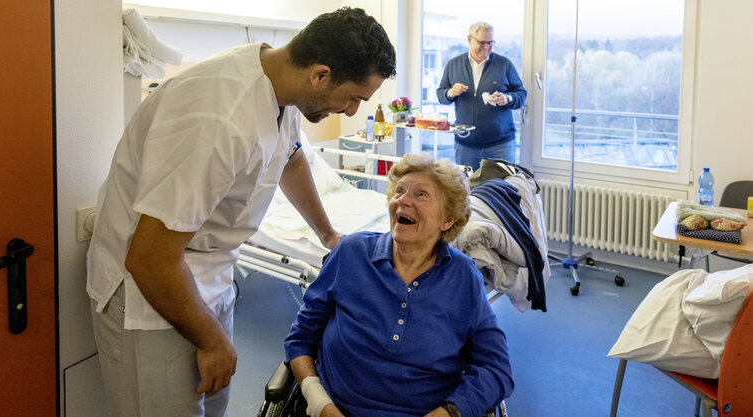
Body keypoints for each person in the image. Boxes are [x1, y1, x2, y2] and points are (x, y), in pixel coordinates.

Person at [86, 7, 396, 417]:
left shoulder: (276, 84)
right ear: (319, 74)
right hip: (151, 294)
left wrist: (327, 234)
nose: (353, 111)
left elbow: (291, 156)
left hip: (207, 275)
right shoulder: (217, 118)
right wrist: (212, 341)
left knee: (211, 404)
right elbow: (149, 259)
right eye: (354, 97)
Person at [285, 153, 513, 417]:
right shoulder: (351, 253)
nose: (403, 200)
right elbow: (300, 337)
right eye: (399, 191)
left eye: (421, 195)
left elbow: (496, 368)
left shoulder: (463, 277)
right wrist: (318, 402)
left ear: (447, 220)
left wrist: (449, 412)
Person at [436, 22, 526, 171]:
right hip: (465, 145)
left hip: (501, 145)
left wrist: (508, 99)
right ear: (469, 39)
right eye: (482, 42)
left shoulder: (504, 64)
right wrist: (449, 93)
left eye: (490, 43)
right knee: (467, 190)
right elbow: (441, 95)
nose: (486, 47)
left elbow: (521, 94)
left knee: (501, 190)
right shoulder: (453, 65)